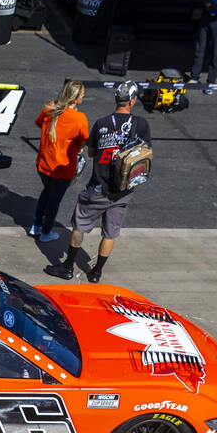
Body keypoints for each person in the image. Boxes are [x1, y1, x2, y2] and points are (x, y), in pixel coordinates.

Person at [45, 81, 152, 283]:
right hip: (123, 190)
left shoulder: (102, 123)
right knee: (110, 233)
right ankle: (96, 272)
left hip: (98, 187)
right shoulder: (141, 124)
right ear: (132, 100)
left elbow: (92, 152)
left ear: (116, 99)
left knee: (80, 226)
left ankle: (68, 266)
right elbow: (146, 153)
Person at [30, 80, 89, 242]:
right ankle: (46, 232)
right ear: (75, 98)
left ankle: (36, 225)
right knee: (54, 200)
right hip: (63, 168)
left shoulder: (50, 107)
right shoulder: (79, 118)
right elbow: (83, 139)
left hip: (44, 164)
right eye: (82, 94)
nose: (84, 96)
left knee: (47, 192)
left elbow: (38, 123)